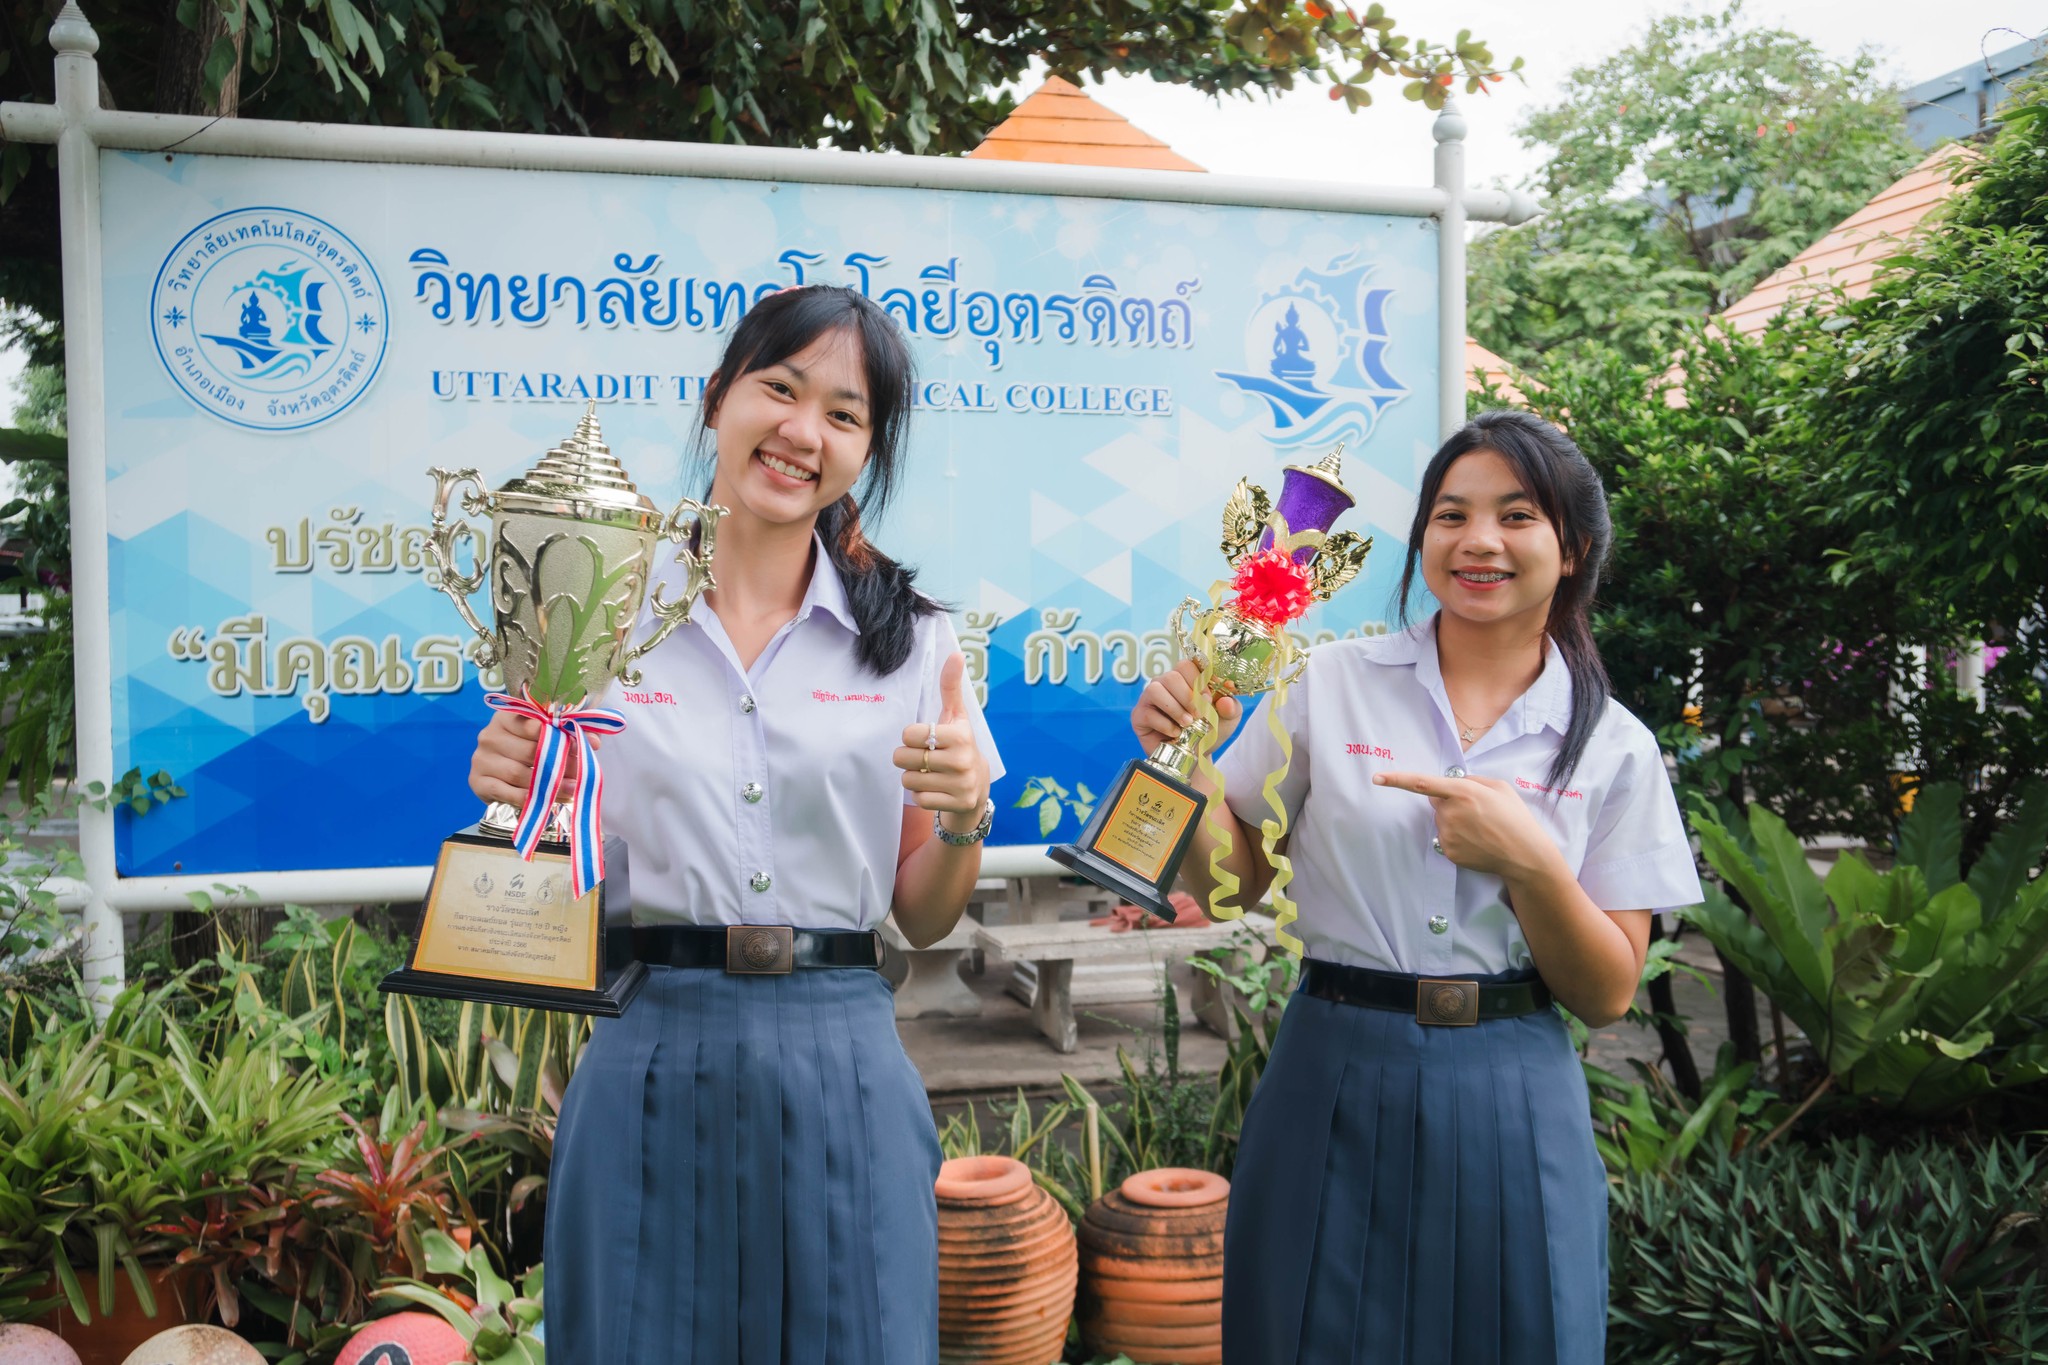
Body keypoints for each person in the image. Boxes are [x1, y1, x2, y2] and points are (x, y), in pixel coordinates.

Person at [467, 286, 1001, 1365]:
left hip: (843, 1055)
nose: (803, 432)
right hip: (649, 1042)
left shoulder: (912, 644)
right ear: (718, 400)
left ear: (864, 450)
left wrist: (961, 821)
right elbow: (541, 859)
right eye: (780, 388)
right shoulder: (594, 607)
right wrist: (512, 788)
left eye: (844, 414)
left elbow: (925, 918)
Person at [1131, 410, 1701, 1364]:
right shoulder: (1328, 684)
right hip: (1333, 1068)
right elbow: (1236, 880)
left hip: (1513, 1083)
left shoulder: (1615, 746)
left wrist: (1528, 861)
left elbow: (1605, 993)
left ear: (1575, 550)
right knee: (1306, 1331)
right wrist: (1184, 775)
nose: (1479, 540)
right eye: (1451, 514)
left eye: (1517, 516)